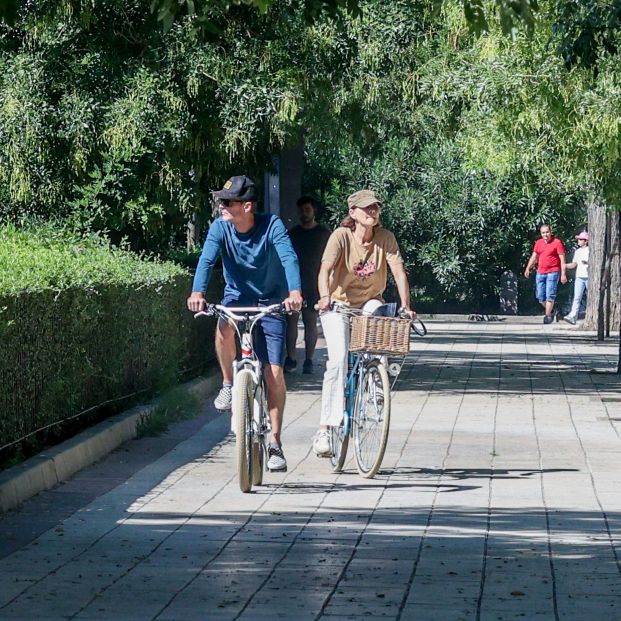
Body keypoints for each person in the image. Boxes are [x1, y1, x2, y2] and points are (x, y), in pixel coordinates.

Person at [187, 175, 303, 472]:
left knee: (274, 372)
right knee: (224, 324)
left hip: (271, 301)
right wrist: (197, 292)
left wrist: (294, 293)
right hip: (236, 298)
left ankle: (275, 443)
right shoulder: (219, 228)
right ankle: (228, 383)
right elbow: (206, 260)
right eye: (221, 200)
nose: (221, 206)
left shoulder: (272, 226)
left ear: (248, 206)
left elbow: (288, 257)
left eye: (228, 202)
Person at [312, 189, 416, 457]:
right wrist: (324, 297)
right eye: (366, 208)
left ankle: (376, 379)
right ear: (353, 213)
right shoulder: (341, 236)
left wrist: (406, 306)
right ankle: (326, 428)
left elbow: (399, 272)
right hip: (338, 305)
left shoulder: (385, 238)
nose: (372, 212)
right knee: (337, 361)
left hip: (369, 301)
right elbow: (324, 270)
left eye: (375, 208)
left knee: (379, 318)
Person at [284, 196, 332, 375]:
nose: (304, 214)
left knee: (311, 322)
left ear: (314, 211)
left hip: (315, 285)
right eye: (301, 211)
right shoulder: (292, 234)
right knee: (291, 321)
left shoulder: (324, 234)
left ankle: (309, 360)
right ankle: (291, 358)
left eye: (307, 210)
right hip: (294, 285)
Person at [523, 223, 567, 324]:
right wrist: (528, 268)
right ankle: (551, 311)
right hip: (540, 272)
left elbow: (562, 259)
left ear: (551, 232)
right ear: (541, 234)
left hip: (553, 272)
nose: (545, 235)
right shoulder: (538, 243)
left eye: (547, 232)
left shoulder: (557, 242)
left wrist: (563, 274)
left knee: (550, 295)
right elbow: (534, 256)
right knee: (540, 296)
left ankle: (547, 317)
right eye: (543, 233)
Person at [563, 231, 589, 325]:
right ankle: (573, 316)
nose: (578, 241)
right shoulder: (577, 252)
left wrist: (587, 263)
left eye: (580, 239)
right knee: (577, 297)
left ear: (586, 241)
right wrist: (565, 265)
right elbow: (574, 264)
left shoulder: (590, 250)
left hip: (589, 277)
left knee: (591, 297)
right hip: (579, 277)